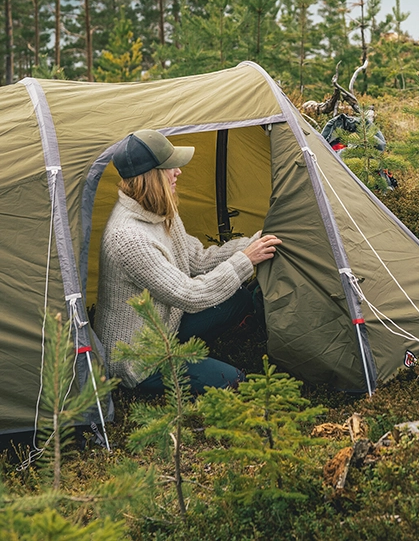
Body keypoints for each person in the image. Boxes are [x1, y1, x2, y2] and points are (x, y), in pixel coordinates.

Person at [94, 128, 281, 396]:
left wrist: (251, 245)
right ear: (152, 176)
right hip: (139, 360)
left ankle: (233, 338)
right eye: (171, 166)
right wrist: (245, 260)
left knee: (239, 298)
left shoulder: (158, 210)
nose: (179, 172)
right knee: (237, 382)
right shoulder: (128, 239)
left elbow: (197, 259)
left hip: (165, 325)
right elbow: (189, 294)